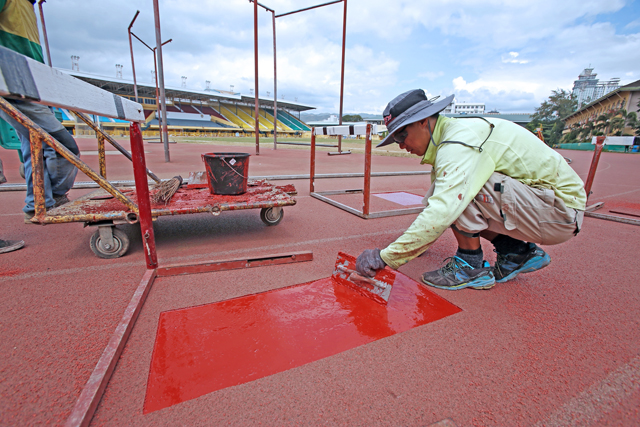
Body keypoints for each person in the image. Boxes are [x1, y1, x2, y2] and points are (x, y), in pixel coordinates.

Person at [356, 89, 586, 290]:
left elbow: (443, 211)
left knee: (456, 193)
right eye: (395, 139)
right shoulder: (451, 137)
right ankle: (516, 252)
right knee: (446, 191)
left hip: (559, 212)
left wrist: (386, 257)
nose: (401, 144)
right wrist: (413, 245)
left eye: (401, 135)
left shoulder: (458, 143)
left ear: (423, 121)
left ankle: (469, 266)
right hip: (542, 205)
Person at [0, 0, 79, 224]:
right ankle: (49, 197)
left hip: (33, 88)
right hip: (15, 85)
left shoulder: (27, 6)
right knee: (63, 148)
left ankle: (38, 202)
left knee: (35, 151)